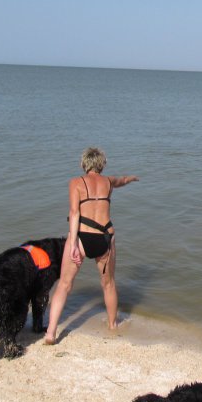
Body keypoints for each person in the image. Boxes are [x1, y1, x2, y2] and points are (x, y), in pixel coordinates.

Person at [44, 147, 139, 345]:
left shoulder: (75, 183)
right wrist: (131, 178)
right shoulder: (108, 182)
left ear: (83, 164)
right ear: (102, 164)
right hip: (105, 236)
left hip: (81, 237)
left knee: (64, 284)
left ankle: (51, 333)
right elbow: (121, 180)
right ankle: (113, 326)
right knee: (108, 284)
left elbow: (74, 212)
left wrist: (72, 245)